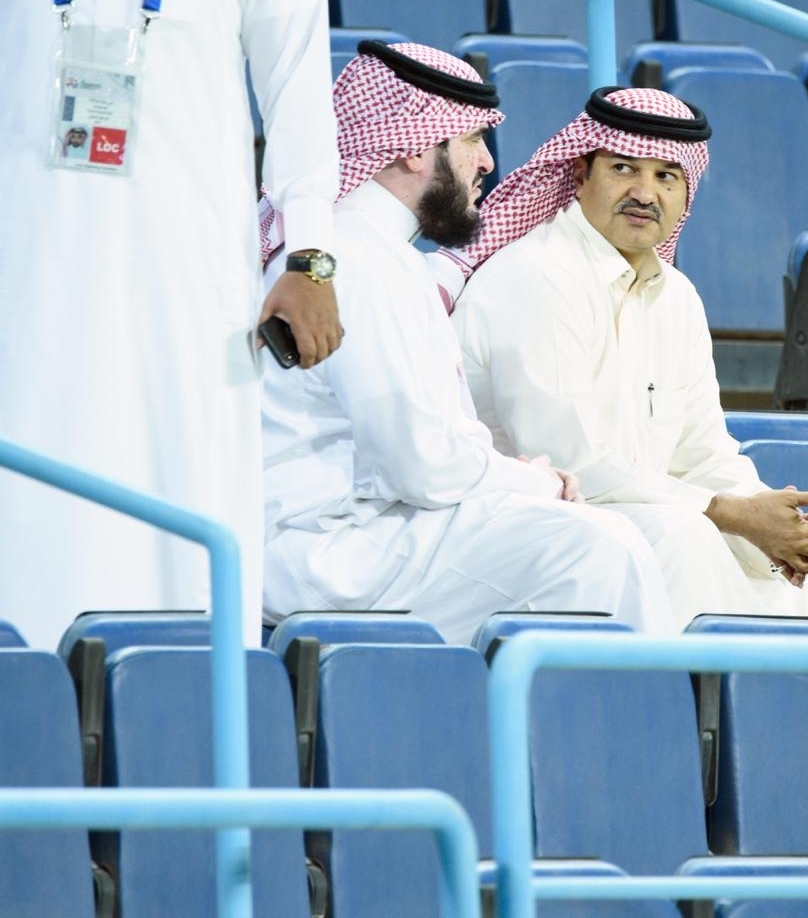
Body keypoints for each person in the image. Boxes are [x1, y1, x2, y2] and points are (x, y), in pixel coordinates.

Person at [0, 0, 342, 647]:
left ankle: (182, 711)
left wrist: (310, 258)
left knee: (179, 502)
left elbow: (297, 90)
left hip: (188, 276)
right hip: (26, 264)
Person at [260, 42, 675, 645]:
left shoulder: (373, 253)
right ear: (412, 146)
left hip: (361, 530)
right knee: (597, 549)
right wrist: (536, 483)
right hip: (327, 550)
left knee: (587, 540)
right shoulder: (357, 259)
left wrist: (510, 477)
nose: (486, 161)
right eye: (473, 139)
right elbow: (421, 466)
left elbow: (426, 453)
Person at [451, 86, 808, 633]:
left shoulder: (678, 297)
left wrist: (775, 522)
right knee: (681, 536)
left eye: (666, 176)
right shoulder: (537, 277)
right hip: (526, 524)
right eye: (623, 169)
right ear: (579, 175)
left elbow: (704, 452)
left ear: (686, 194)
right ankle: (684, 691)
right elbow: (568, 462)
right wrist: (729, 513)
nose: (645, 193)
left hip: (639, 512)